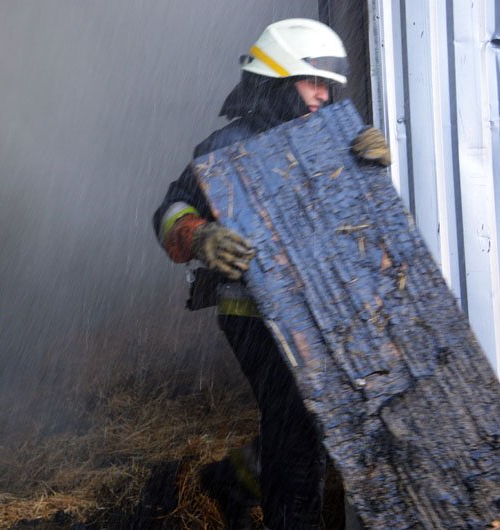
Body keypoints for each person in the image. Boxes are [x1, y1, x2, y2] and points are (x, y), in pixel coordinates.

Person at [152, 19, 390, 530]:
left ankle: (231, 482)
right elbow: (168, 213)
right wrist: (199, 237)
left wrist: (368, 169)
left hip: (320, 311)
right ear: (280, 79)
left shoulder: (333, 139)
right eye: (315, 83)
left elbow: (350, 224)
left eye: (329, 85)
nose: (325, 95)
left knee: (315, 423)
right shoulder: (225, 147)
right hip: (255, 316)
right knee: (299, 443)